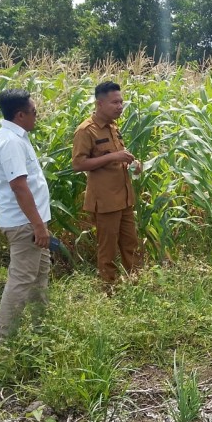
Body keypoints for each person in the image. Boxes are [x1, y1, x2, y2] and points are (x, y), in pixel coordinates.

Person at [0, 89, 52, 344]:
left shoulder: (13, 136)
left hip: (32, 222)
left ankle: (41, 332)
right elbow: (19, 186)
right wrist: (38, 226)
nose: (37, 116)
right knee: (22, 280)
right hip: (25, 224)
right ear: (20, 115)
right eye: (34, 112)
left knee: (39, 276)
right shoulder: (11, 143)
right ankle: (2, 344)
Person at [72, 81, 140, 284]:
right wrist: (114, 157)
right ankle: (108, 290)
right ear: (99, 104)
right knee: (107, 250)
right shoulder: (86, 130)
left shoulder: (113, 127)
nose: (120, 106)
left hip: (124, 198)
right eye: (115, 102)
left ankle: (136, 286)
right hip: (105, 202)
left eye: (121, 102)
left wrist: (133, 164)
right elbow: (78, 164)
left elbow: (117, 159)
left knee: (131, 245)